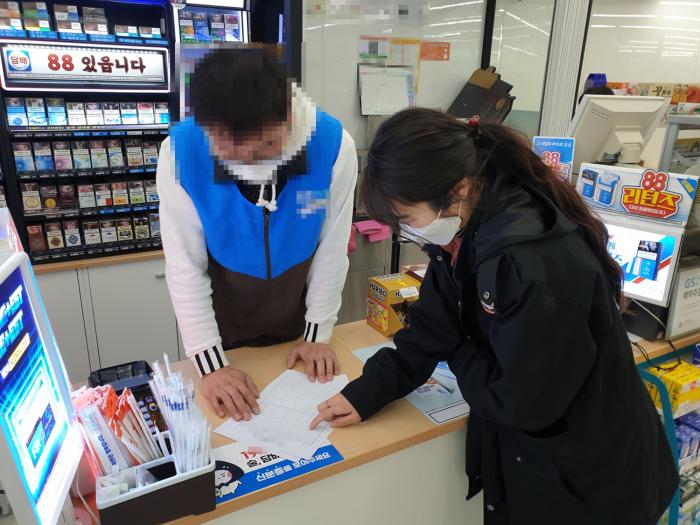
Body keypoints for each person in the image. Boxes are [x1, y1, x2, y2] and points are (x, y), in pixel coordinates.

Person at [311, 108, 678, 524]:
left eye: (406, 219)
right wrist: (367, 393)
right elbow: (431, 328)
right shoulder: (463, 231)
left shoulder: (531, 261)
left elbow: (521, 404)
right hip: (543, 462)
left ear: (458, 188)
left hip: (592, 482)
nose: (404, 233)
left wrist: (458, 349)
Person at [157, 48, 357, 422]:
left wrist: (317, 336)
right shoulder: (180, 156)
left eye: (265, 147)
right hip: (224, 322)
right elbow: (185, 268)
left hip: (295, 316)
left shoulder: (333, 146)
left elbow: (332, 249)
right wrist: (211, 366)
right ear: (206, 128)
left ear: (288, 116)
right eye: (232, 152)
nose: (250, 160)